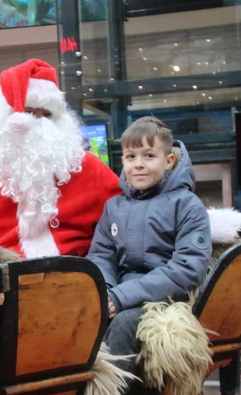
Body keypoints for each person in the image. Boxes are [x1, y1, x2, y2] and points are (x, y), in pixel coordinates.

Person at [0, 59, 120, 258]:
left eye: (46, 114)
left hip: (79, 280)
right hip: (0, 282)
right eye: (28, 111)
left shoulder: (88, 168)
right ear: (2, 118)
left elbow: (128, 217)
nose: (38, 122)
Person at [86, 116, 212, 378]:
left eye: (149, 155)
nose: (139, 165)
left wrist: (122, 297)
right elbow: (101, 256)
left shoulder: (187, 205)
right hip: (118, 293)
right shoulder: (114, 207)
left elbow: (187, 269)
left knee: (123, 324)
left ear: (169, 161)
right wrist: (106, 292)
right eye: (131, 157)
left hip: (168, 299)